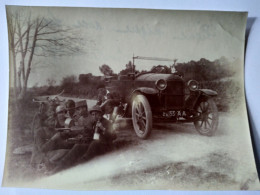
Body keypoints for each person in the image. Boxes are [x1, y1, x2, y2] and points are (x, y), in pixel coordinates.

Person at [50, 105, 117, 173]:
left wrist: (103, 128)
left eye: (96, 114)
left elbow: (114, 136)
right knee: (78, 146)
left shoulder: (107, 123)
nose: (94, 116)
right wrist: (84, 135)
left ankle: (76, 168)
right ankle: (59, 167)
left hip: (104, 146)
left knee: (92, 146)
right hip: (94, 145)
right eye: (93, 115)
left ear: (100, 114)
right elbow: (93, 136)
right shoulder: (95, 123)